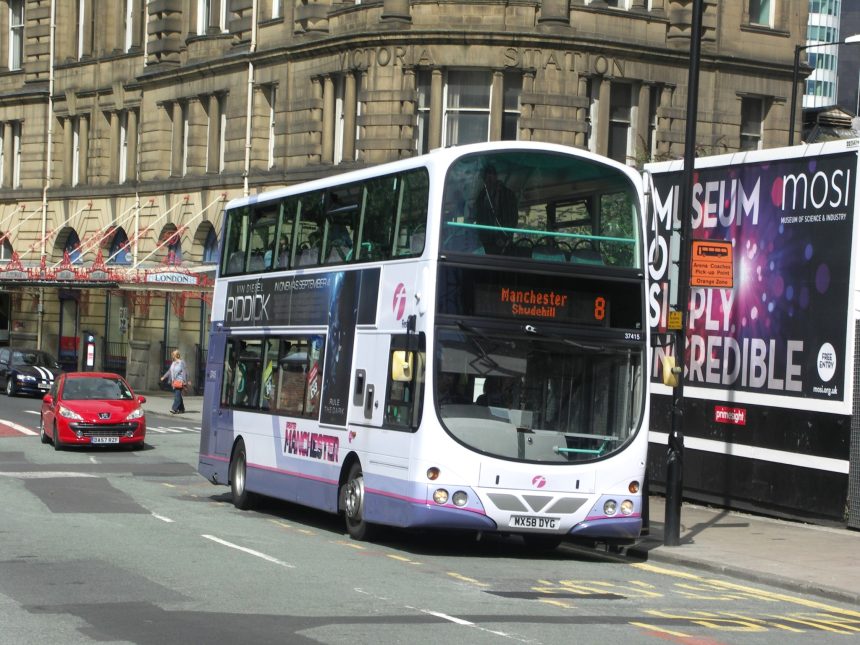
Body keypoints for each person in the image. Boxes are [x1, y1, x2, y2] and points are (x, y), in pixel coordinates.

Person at [475, 165, 518, 254]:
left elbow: (513, 218)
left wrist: (505, 237)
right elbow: (479, 218)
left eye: (491, 175)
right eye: (487, 177)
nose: (489, 180)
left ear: (496, 177)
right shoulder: (482, 196)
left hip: (504, 241)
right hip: (486, 241)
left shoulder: (507, 194)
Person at [160, 349, 187, 414]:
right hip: (174, 381)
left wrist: (185, 381)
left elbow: (184, 372)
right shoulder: (173, 363)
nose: (172, 356)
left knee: (177, 395)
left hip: (180, 381)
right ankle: (182, 409)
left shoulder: (181, 362)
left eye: (173, 355)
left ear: (176, 355)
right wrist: (164, 377)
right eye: (172, 355)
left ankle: (174, 409)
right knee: (178, 395)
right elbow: (169, 371)